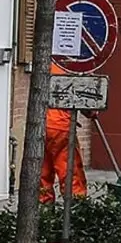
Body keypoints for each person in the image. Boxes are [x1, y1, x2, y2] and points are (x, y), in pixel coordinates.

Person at [39, 61, 89, 206]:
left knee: (43, 171)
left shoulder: (46, 64)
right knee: (69, 170)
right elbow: (83, 96)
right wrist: (91, 112)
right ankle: (75, 206)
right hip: (61, 127)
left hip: (42, 126)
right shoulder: (71, 66)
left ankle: (44, 208)